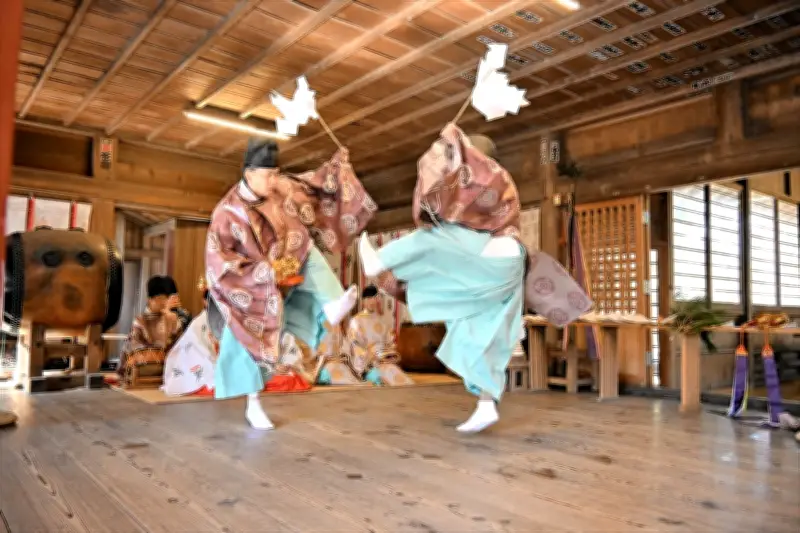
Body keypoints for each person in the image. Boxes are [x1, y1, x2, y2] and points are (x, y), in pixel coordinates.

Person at [358, 123, 591, 433]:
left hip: (492, 255)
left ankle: (379, 260)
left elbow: (440, 213)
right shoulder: (500, 183)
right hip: (503, 268)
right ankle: (486, 403)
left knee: (432, 237)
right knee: (478, 330)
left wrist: (444, 161)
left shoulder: (481, 177)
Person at [205, 137, 376, 430]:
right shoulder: (226, 212)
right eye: (268, 174)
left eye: (276, 173)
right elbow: (218, 258)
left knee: (307, 248)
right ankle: (253, 403)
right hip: (247, 288)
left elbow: (311, 185)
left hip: (288, 263)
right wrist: (261, 273)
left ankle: (332, 301)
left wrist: (337, 164)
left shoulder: (280, 187)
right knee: (247, 345)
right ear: (249, 174)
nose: (274, 180)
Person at [118, 276, 184, 380]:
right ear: (150, 299)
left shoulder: (173, 319)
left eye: (165, 298)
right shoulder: (140, 321)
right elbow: (134, 346)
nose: (163, 302)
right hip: (144, 366)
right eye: (159, 299)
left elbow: (180, 343)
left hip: (168, 368)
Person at [346, 285, 414, 386]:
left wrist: (389, 355)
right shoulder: (356, 321)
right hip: (369, 362)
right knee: (383, 378)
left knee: (399, 376)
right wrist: (370, 357)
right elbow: (355, 345)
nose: (372, 301)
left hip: (384, 359)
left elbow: (390, 342)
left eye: (375, 297)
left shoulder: (383, 320)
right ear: (363, 301)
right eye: (369, 298)